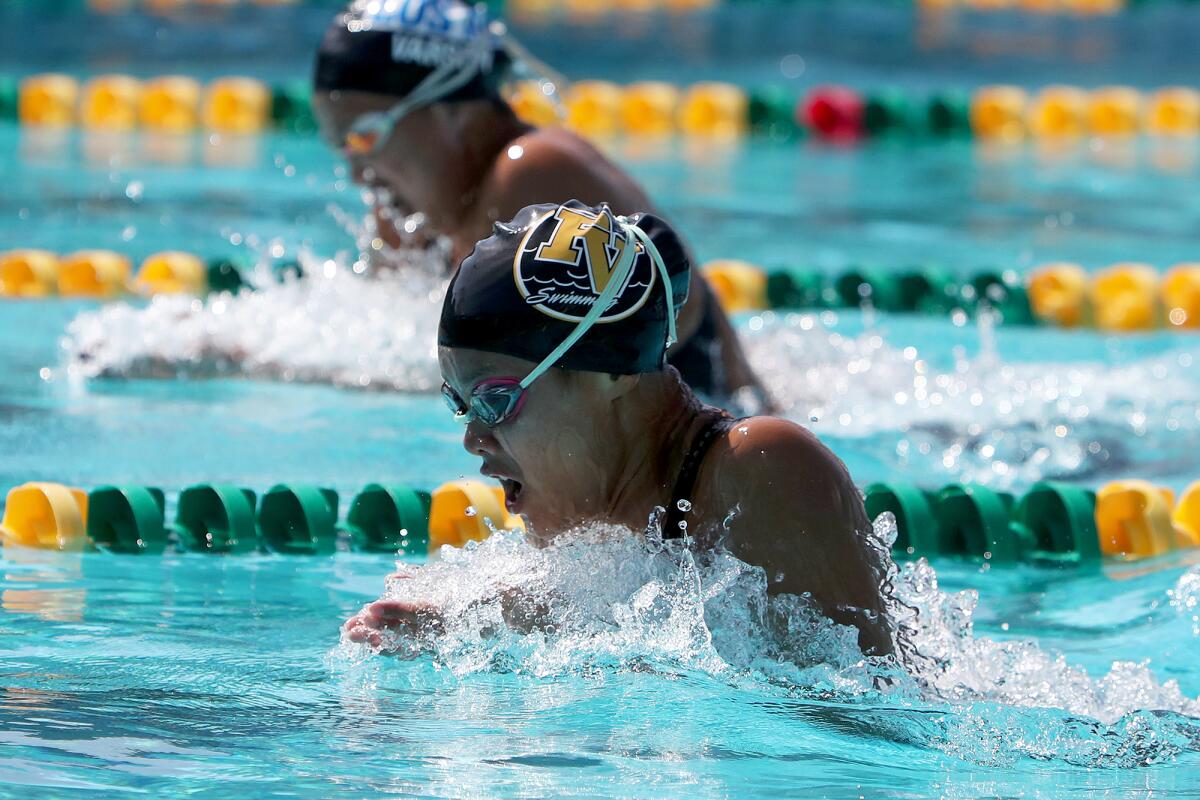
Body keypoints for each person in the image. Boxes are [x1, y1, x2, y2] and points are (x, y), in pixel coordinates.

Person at [345, 201, 893, 656]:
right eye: (459, 405)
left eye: (496, 401)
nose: (473, 438)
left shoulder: (761, 470)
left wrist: (514, 623)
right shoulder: (599, 518)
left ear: (608, 372)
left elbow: (865, 723)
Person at [311, 0, 766, 404]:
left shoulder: (533, 176)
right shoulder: (412, 206)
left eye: (366, 135)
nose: (357, 172)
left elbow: (504, 381)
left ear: (452, 108)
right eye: (340, 146)